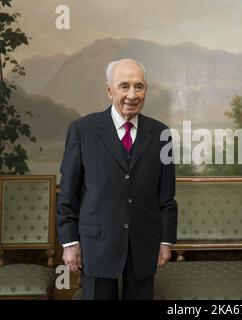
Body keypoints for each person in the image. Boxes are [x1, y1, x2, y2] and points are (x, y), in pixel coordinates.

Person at [56, 58, 178, 300]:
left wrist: (166, 240)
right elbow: (68, 193)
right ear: (109, 90)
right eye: (124, 86)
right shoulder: (83, 130)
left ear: (146, 90)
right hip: (96, 245)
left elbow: (167, 196)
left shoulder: (162, 134)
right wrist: (70, 243)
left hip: (144, 244)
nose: (132, 94)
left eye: (139, 86)